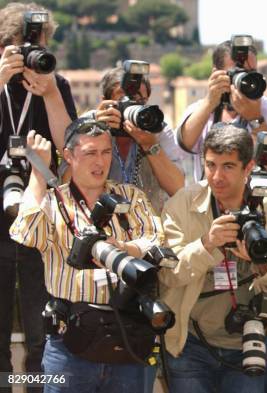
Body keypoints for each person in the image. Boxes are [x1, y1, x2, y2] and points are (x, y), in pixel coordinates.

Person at [10, 120, 164, 392]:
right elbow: (26, 234)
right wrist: (37, 172)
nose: (100, 161)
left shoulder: (130, 196)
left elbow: (156, 239)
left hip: (128, 335)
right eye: (91, 153)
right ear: (68, 156)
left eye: (106, 152)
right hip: (70, 343)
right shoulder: (52, 202)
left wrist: (125, 248)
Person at [159, 122, 267, 393]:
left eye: (228, 166)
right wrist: (206, 244)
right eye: (210, 165)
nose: (216, 176)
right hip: (191, 341)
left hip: (251, 341)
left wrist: (263, 262)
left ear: (248, 168)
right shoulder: (182, 204)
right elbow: (168, 274)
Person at [0, 3, 76, 391]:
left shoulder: (55, 84)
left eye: (41, 44)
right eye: (26, 45)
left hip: (38, 223)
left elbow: (70, 149)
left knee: (39, 334)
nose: (34, 54)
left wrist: (50, 95)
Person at [61, 66, 186, 213]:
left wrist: (150, 146)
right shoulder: (86, 125)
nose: (132, 106)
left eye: (140, 101)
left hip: (149, 224)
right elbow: (66, 183)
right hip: (96, 220)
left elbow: (178, 189)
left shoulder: (156, 128)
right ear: (105, 102)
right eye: (123, 100)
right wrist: (96, 134)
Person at [175, 39, 267, 185]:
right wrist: (209, 103)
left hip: (257, 201)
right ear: (216, 73)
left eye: (251, 73)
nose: (244, 79)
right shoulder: (200, 110)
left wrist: (256, 119)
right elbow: (180, 149)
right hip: (210, 202)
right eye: (237, 73)